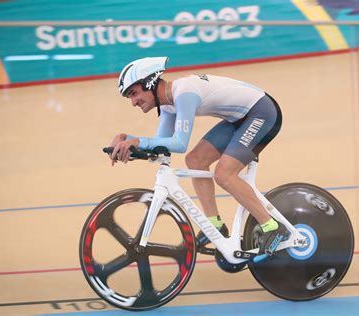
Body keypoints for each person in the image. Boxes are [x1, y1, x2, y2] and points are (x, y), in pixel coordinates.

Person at [109, 57, 286, 257]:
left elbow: (179, 143)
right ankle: (215, 226)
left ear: (149, 83)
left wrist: (137, 142)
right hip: (239, 118)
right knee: (195, 161)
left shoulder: (184, 93)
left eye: (134, 93)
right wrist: (127, 141)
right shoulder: (168, 104)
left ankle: (272, 226)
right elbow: (160, 145)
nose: (133, 102)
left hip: (262, 113)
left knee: (224, 174)